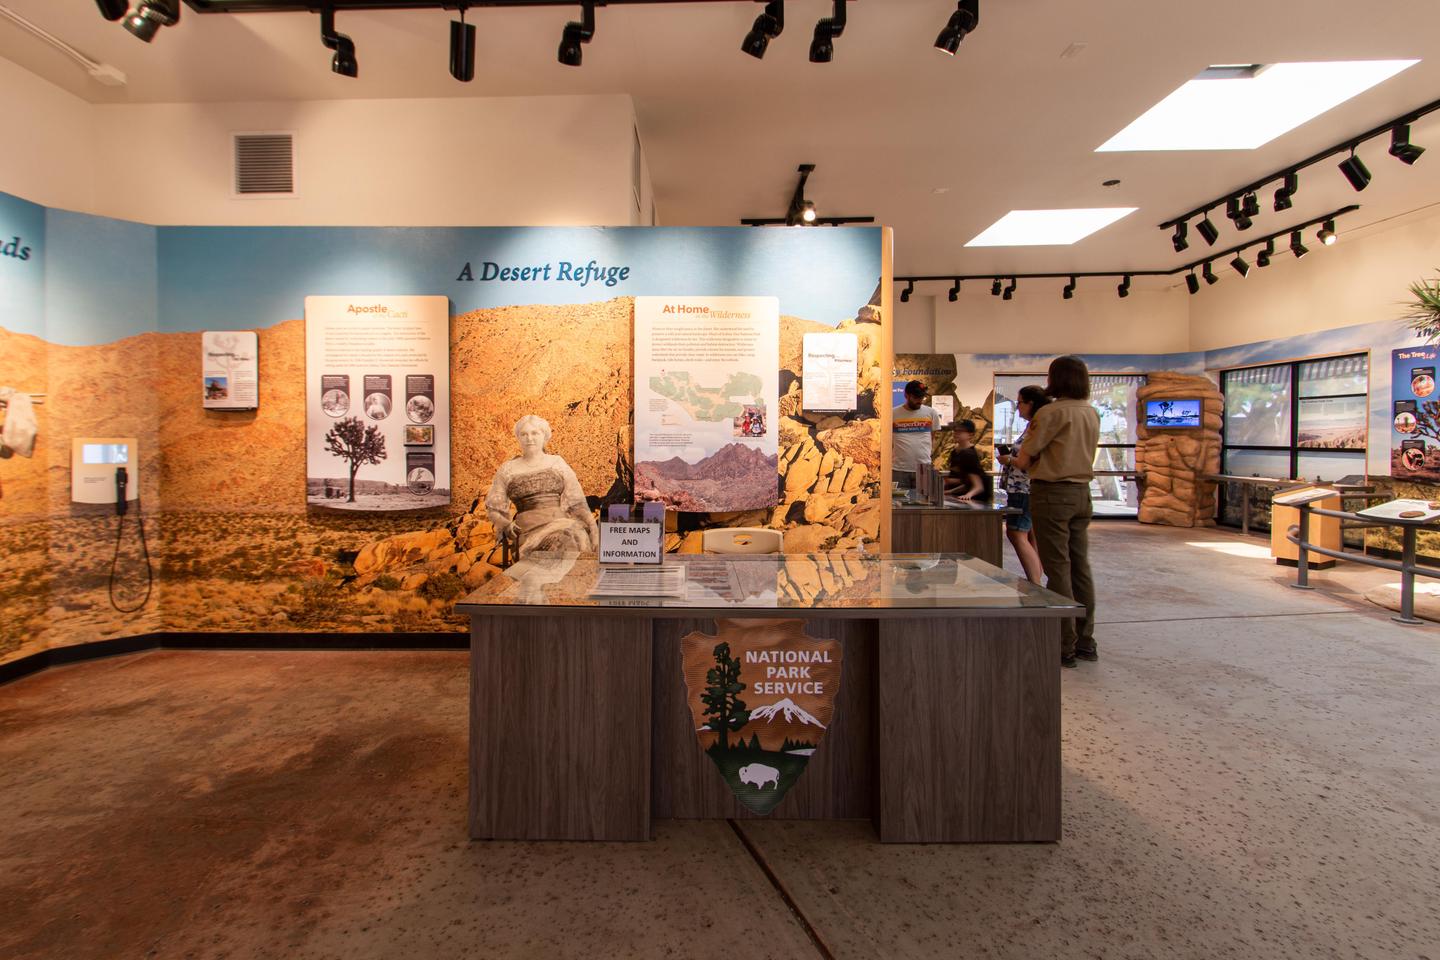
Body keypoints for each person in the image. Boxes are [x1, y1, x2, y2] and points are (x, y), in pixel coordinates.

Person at [1012, 356, 1100, 668]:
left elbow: (1023, 460)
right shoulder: (1090, 412)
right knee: (1080, 567)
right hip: (1082, 494)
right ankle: (1085, 640)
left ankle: (1064, 643)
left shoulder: (1050, 412)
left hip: (1052, 494)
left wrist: (1014, 460)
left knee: (1058, 567)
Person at [485, 414, 599, 559]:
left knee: (571, 539)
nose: (529, 438)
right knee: (563, 545)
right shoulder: (508, 469)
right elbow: (494, 509)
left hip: (563, 527)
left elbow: (577, 503)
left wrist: (594, 529)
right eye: (524, 434)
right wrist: (506, 525)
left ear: (544, 436)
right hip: (527, 535)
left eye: (535, 433)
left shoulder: (557, 462)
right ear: (518, 438)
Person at [994, 386, 1048, 584]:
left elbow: (1025, 462)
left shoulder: (1037, 426)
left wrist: (1009, 460)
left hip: (1023, 488)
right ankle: (1037, 579)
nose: (1017, 408)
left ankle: (1035, 582)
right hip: (1026, 487)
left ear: (1031, 403)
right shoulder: (1034, 426)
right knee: (1030, 535)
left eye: (1020, 403)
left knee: (1016, 532)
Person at [892, 380, 939, 489]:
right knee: (897, 504)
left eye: (922, 397)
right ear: (906, 395)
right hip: (899, 469)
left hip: (924, 469)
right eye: (916, 397)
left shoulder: (931, 413)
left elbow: (932, 437)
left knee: (924, 504)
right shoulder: (893, 413)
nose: (920, 401)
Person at [943, 419, 992, 501]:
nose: (956, 433)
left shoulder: (969, 454)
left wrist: (968, 495)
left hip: (978, 499)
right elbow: (967, 483)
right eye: (955, 430)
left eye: (961, 431)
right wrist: (951, 491)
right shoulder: (955, 452)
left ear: (970, 435)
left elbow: (979, 486)